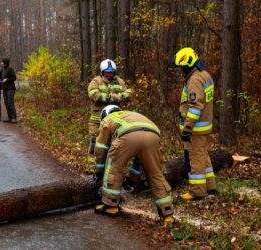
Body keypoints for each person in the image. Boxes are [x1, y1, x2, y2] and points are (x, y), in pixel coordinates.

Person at [93, 105, 174, 225]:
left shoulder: (108, 119)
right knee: (155, 172)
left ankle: (110, 205)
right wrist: (132, 177)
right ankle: (167, 212)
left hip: (128, 136)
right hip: (153, 136)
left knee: (114, 168)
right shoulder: (131, 115)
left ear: (105, 114)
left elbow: (101, 148)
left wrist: (98, 171)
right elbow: (139, 160)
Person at [173, 47, 217, 201]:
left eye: (183, 67)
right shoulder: (205, 75)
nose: (181, 70)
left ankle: (197, 191)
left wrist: (187, 128)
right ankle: (210, 186)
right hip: (205, 126)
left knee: (196, 159)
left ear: (189, 64)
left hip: (196, 129)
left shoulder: (194, 80)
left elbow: (195, 107)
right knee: (204, 156)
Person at [87, 59, 132, 173]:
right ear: (102, 72)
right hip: (97, 120)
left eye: (111, 72)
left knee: (114, 144)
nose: (109, 74)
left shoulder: (120, 82)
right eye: (107, 72)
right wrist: (115, 97)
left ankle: (111, 168)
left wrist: (122, 96)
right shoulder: (96, 81)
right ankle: (92, 168)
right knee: (95, 143)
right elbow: (95, 95)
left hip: (116, 120)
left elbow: (128, 94)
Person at [1, 58, 17, 123]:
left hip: (10, 89)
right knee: (6, 104)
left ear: (5, 63)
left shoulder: (10, 69)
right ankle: (9, 117)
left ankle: (14, 118)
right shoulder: (3, 69)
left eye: (2, 62)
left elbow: (14, 78)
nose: (1, 63)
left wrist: (7, 79)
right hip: (5, 89)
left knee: (10, 103)